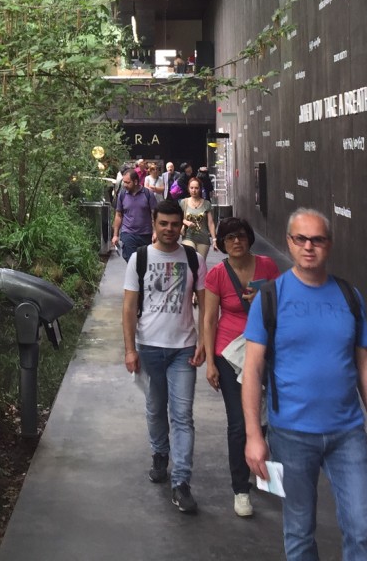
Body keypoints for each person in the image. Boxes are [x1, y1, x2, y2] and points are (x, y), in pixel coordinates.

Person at [242, 209, 367, 561]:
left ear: (329, 245)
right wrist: (253, 436)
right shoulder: (270, 298)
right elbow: (253, 370)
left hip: (347, 433)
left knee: (361, 529)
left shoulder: (350, 296)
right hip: (290, 434)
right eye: (301, 239)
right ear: (289, 242)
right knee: (299, 532)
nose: (309, 247)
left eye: (317, 239)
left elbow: (365, 364)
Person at [122, 198, 207, 514]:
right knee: (156, 408)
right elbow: (129, 307)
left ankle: (182, 482)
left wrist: (204, 342)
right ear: (154, 224)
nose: (169, 229)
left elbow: (206, 306)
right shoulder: (140, 258)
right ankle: (160, 454)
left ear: (181, 223)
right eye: (163, 224)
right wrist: (130, 349)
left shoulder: (195, 259)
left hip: (183, 349)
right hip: (149, 347)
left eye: (174, 224)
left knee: (182, 416)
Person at [201, 217, 280, 518]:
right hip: (230, 354)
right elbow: (210, 319)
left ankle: (266, 475)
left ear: (249, 238)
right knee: (238, 423)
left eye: (242, 236)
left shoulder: (267, 266)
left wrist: (265, 299)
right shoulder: (217, 274)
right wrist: (210, 362)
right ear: (221, 243)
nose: (237, 241)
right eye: (230, 237)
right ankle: (240, 489)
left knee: (268, 420)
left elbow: (283, 305)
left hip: (265, 351)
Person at [111, 168, 158, 263]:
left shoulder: (148, 194)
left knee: (144, 262)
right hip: (128, 233)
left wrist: (155, 232)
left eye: (128, 182)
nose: (125, 185)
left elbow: (155, 215)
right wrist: (115, 235)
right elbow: (118, 215)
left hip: (145, 234)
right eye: (124, 182)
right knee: (131, 261)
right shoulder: (122, 194)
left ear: (136, 182)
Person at [179, 175, 214, 258]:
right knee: (190, 258)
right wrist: (185, 222)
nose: (194, 190)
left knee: (200, 262)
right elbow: (178, 219)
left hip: (203, 238)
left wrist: (214, 239)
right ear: (188, 189)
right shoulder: (184, 202)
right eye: (191, 188)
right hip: (188, 237)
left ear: (200, 189)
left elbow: (211, 223)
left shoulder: (206, 204)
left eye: (196, 188)